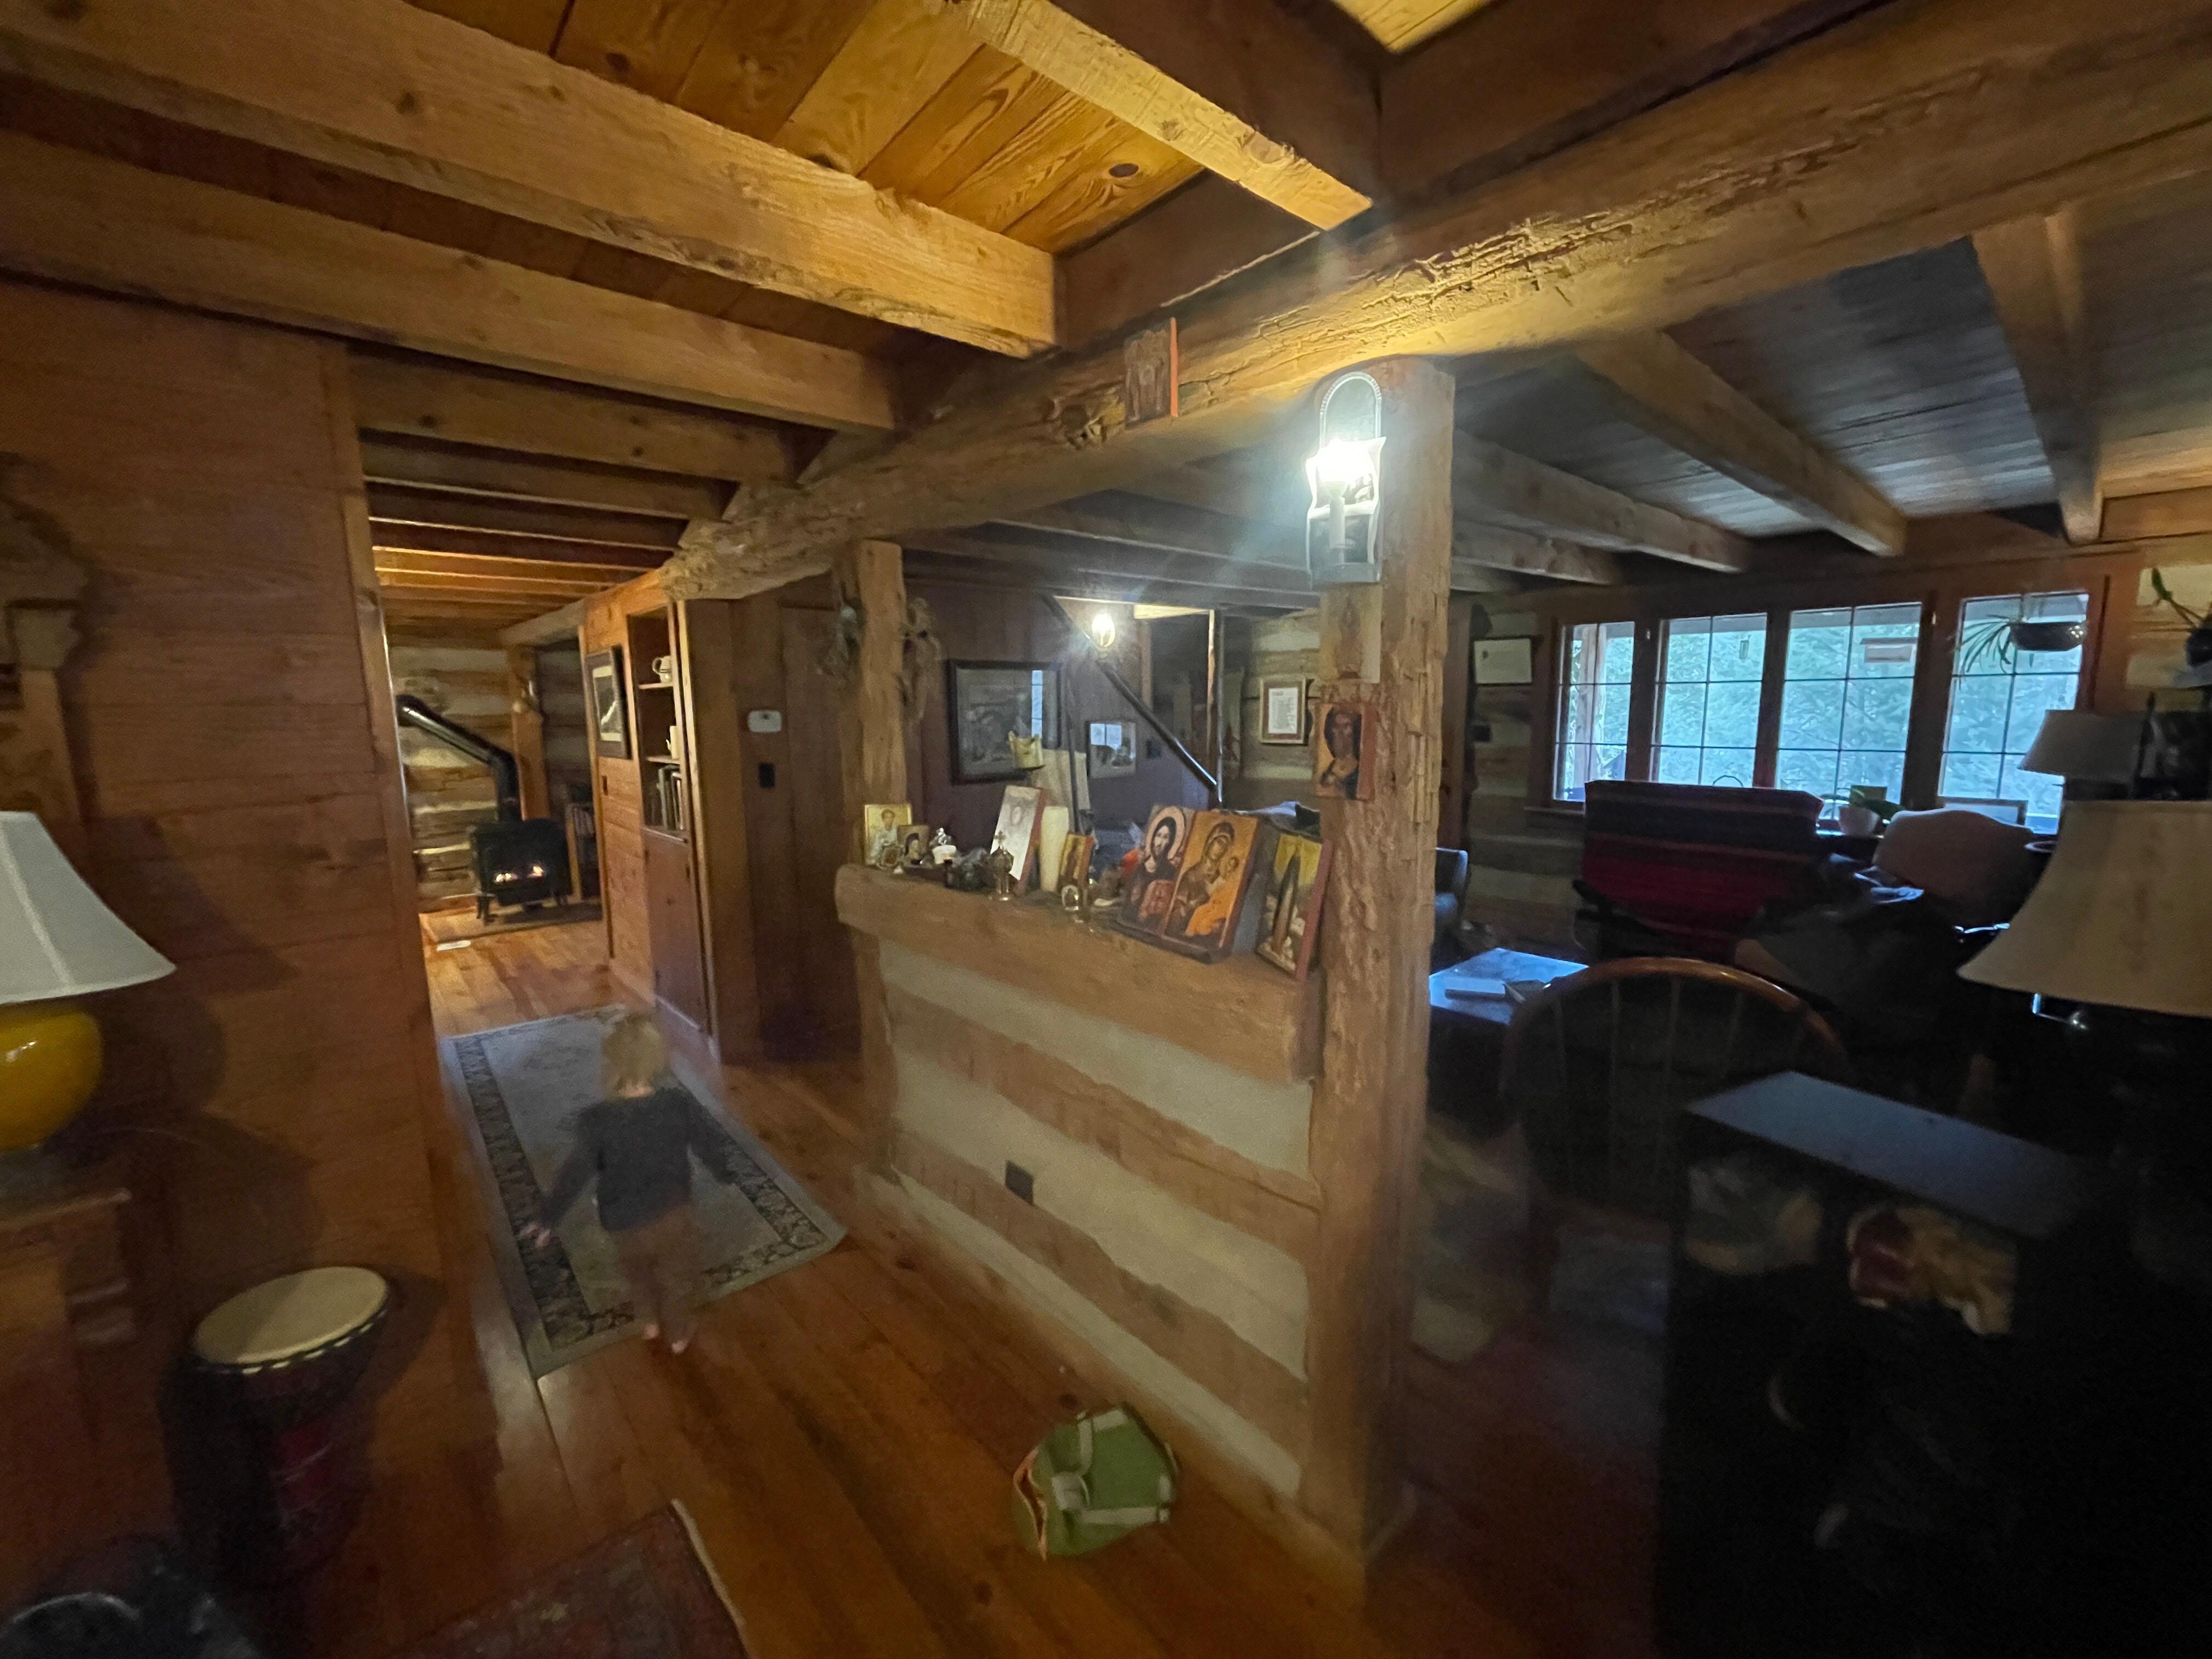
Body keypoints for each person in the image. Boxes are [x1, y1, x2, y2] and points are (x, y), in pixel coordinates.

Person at [521, 1013, 739, 1353]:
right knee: (678, 1273)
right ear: (658, 1061)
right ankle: (678, 1332)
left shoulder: (595, 1121)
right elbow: (708, 1144)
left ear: (610, 1064)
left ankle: (648, 1321)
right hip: (672, 1212)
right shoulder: (678, 1104)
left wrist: (549, 1216)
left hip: (622, 1219)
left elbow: (574, 1174)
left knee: (636, 1270)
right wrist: (723, 1172)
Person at [1316, 705, 1362, 797]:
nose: (1339, 732)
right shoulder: (1327, 772)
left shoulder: (1359, 773)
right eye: (1336, 726)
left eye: (1346, 726)